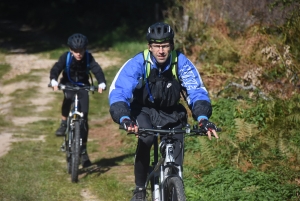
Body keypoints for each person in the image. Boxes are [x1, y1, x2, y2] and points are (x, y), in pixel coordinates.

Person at [108, 22, 219, 201]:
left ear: (171, 46)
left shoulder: (180, 62)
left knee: (177, 150)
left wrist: (203, 118)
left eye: (165, 46)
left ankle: (175, 185)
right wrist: (124, 117)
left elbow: (196, 91)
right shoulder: (138, 63)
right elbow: (120, 91)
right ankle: (139, 188)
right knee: (147, 138)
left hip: (171, 112)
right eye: (157, 46)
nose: (161, 51)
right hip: (143, 111)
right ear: (149, 47)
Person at [49, 33, 106, 168]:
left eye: (81, 50)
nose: (79, 53)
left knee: (84, 118)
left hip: (83, 87)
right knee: (68, 99)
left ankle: (83, 150)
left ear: (85, 49)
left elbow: (97, 70)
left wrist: (102, 82)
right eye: (76, 51)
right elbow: (56, 68)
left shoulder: (88, 57)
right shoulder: (66, 57)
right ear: (71, 50)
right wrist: (53, 80)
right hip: (68, 84)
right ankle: (63, 123)